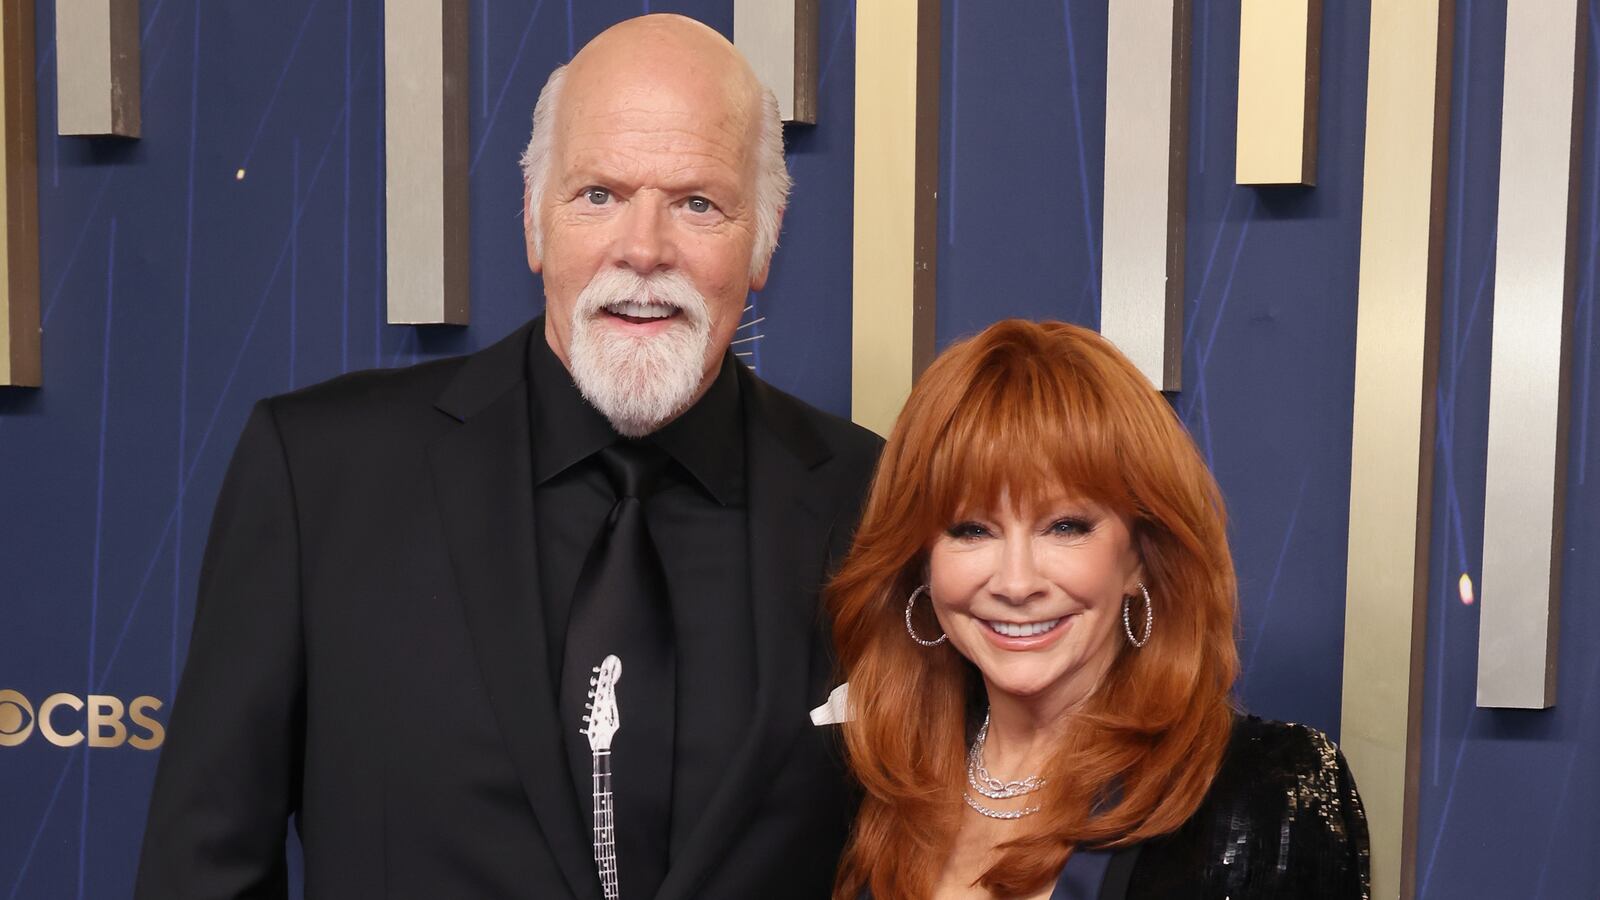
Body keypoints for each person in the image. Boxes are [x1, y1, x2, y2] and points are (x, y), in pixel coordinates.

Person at [135, 15, 880, 900]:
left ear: (765, 240)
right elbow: (202, 873)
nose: (643, 250)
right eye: (598, 194)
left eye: (697, 203)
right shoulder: (319, 476)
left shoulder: (871, 501)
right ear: (533, 222)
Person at [828, 320, 1369, 899]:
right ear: (920, 563)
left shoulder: (1266, 795)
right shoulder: (873, 784)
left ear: (1140, 555)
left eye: (1065, 526)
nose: (1016, 582)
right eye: (971, 529)